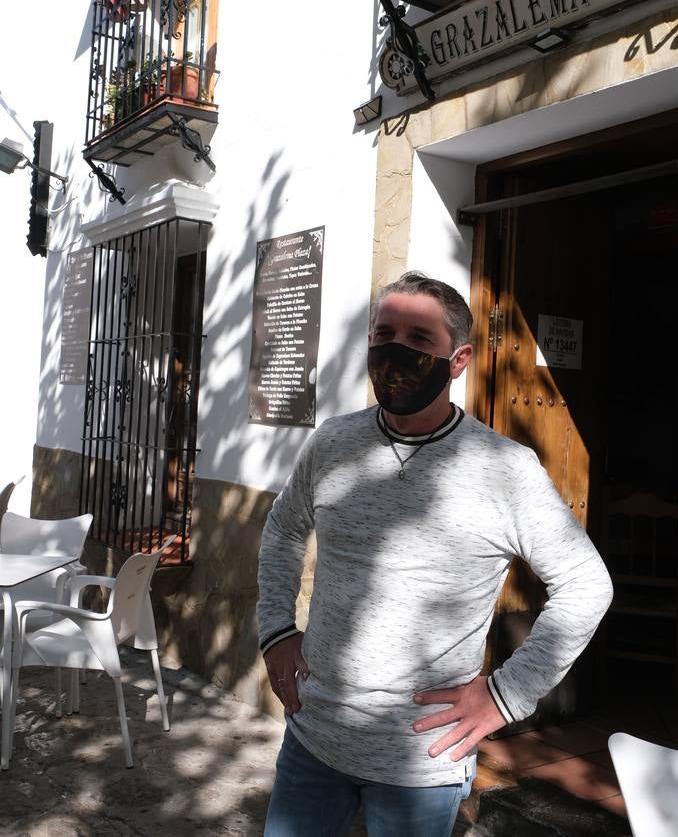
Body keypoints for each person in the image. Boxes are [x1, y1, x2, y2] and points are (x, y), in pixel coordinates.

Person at [258, 271, 614, 836]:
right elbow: (282, 530)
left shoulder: (505, 470)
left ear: (459, 359)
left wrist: (505, 697)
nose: (394, 351)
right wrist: (275, 631)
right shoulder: (331, 442)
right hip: (314, 735)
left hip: (420, 762)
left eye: (419, 340)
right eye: (383, 334)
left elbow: (586, 585)